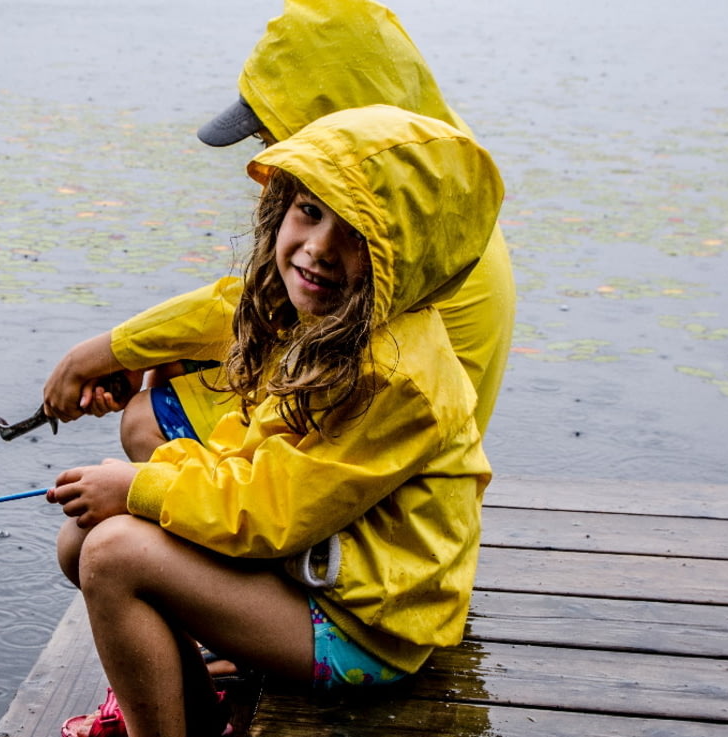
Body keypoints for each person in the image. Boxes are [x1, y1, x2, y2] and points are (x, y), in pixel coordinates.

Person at [17, 104, 503, 737]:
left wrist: (140, 485)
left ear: (406, 256)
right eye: (309, 211)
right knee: (82, 541)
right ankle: (186, 714)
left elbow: (270, 513)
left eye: (357, 233)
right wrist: (126, 389)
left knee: (113, 553)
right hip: (314, 572)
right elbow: (253, 441)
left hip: (366, 627)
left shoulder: (394, 376)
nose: (317, 248)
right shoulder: (331, 319)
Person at [42, 0, 517, 461]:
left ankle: (180, 528)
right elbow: (266, 310)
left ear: (334, 118)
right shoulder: (430, 181)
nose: (267, 150)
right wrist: (131, 354)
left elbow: (263, 311)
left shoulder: (397, 222)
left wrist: (95, 355)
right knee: (175, 363)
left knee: (149, 418)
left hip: (370, 439)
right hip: (347, 377)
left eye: (272, 135)